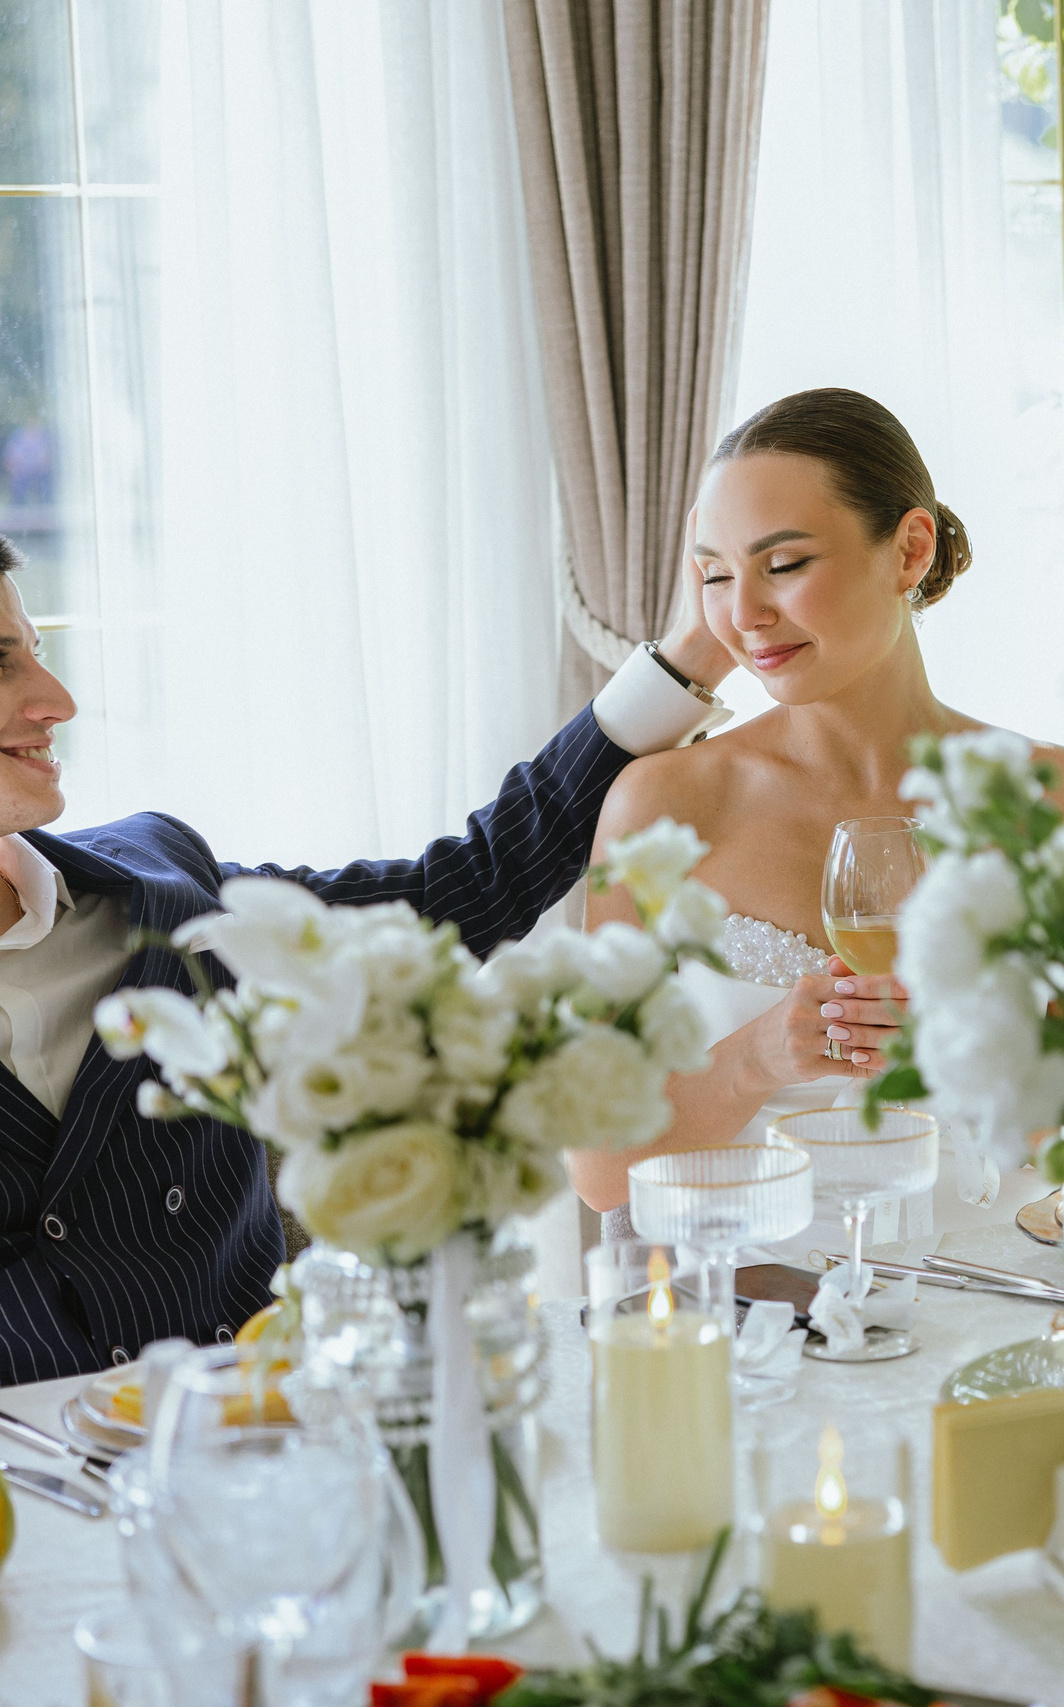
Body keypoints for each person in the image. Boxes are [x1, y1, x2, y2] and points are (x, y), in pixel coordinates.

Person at [0, 543, 735, 1382]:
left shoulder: (161, 878)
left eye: (37, 653)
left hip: (275, 1440)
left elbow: (465, 887)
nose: (56, 702)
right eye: (1, 663)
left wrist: (694, 649)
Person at [568, 388, 1064, 1218]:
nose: (742, 615)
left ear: (909, 550)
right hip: (757, 1319)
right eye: (714, 574)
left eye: (783, 565)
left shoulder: (1055, 796)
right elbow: (600, 1173)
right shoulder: (663, 807)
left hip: (1006, 1302)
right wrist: (756, 1059)